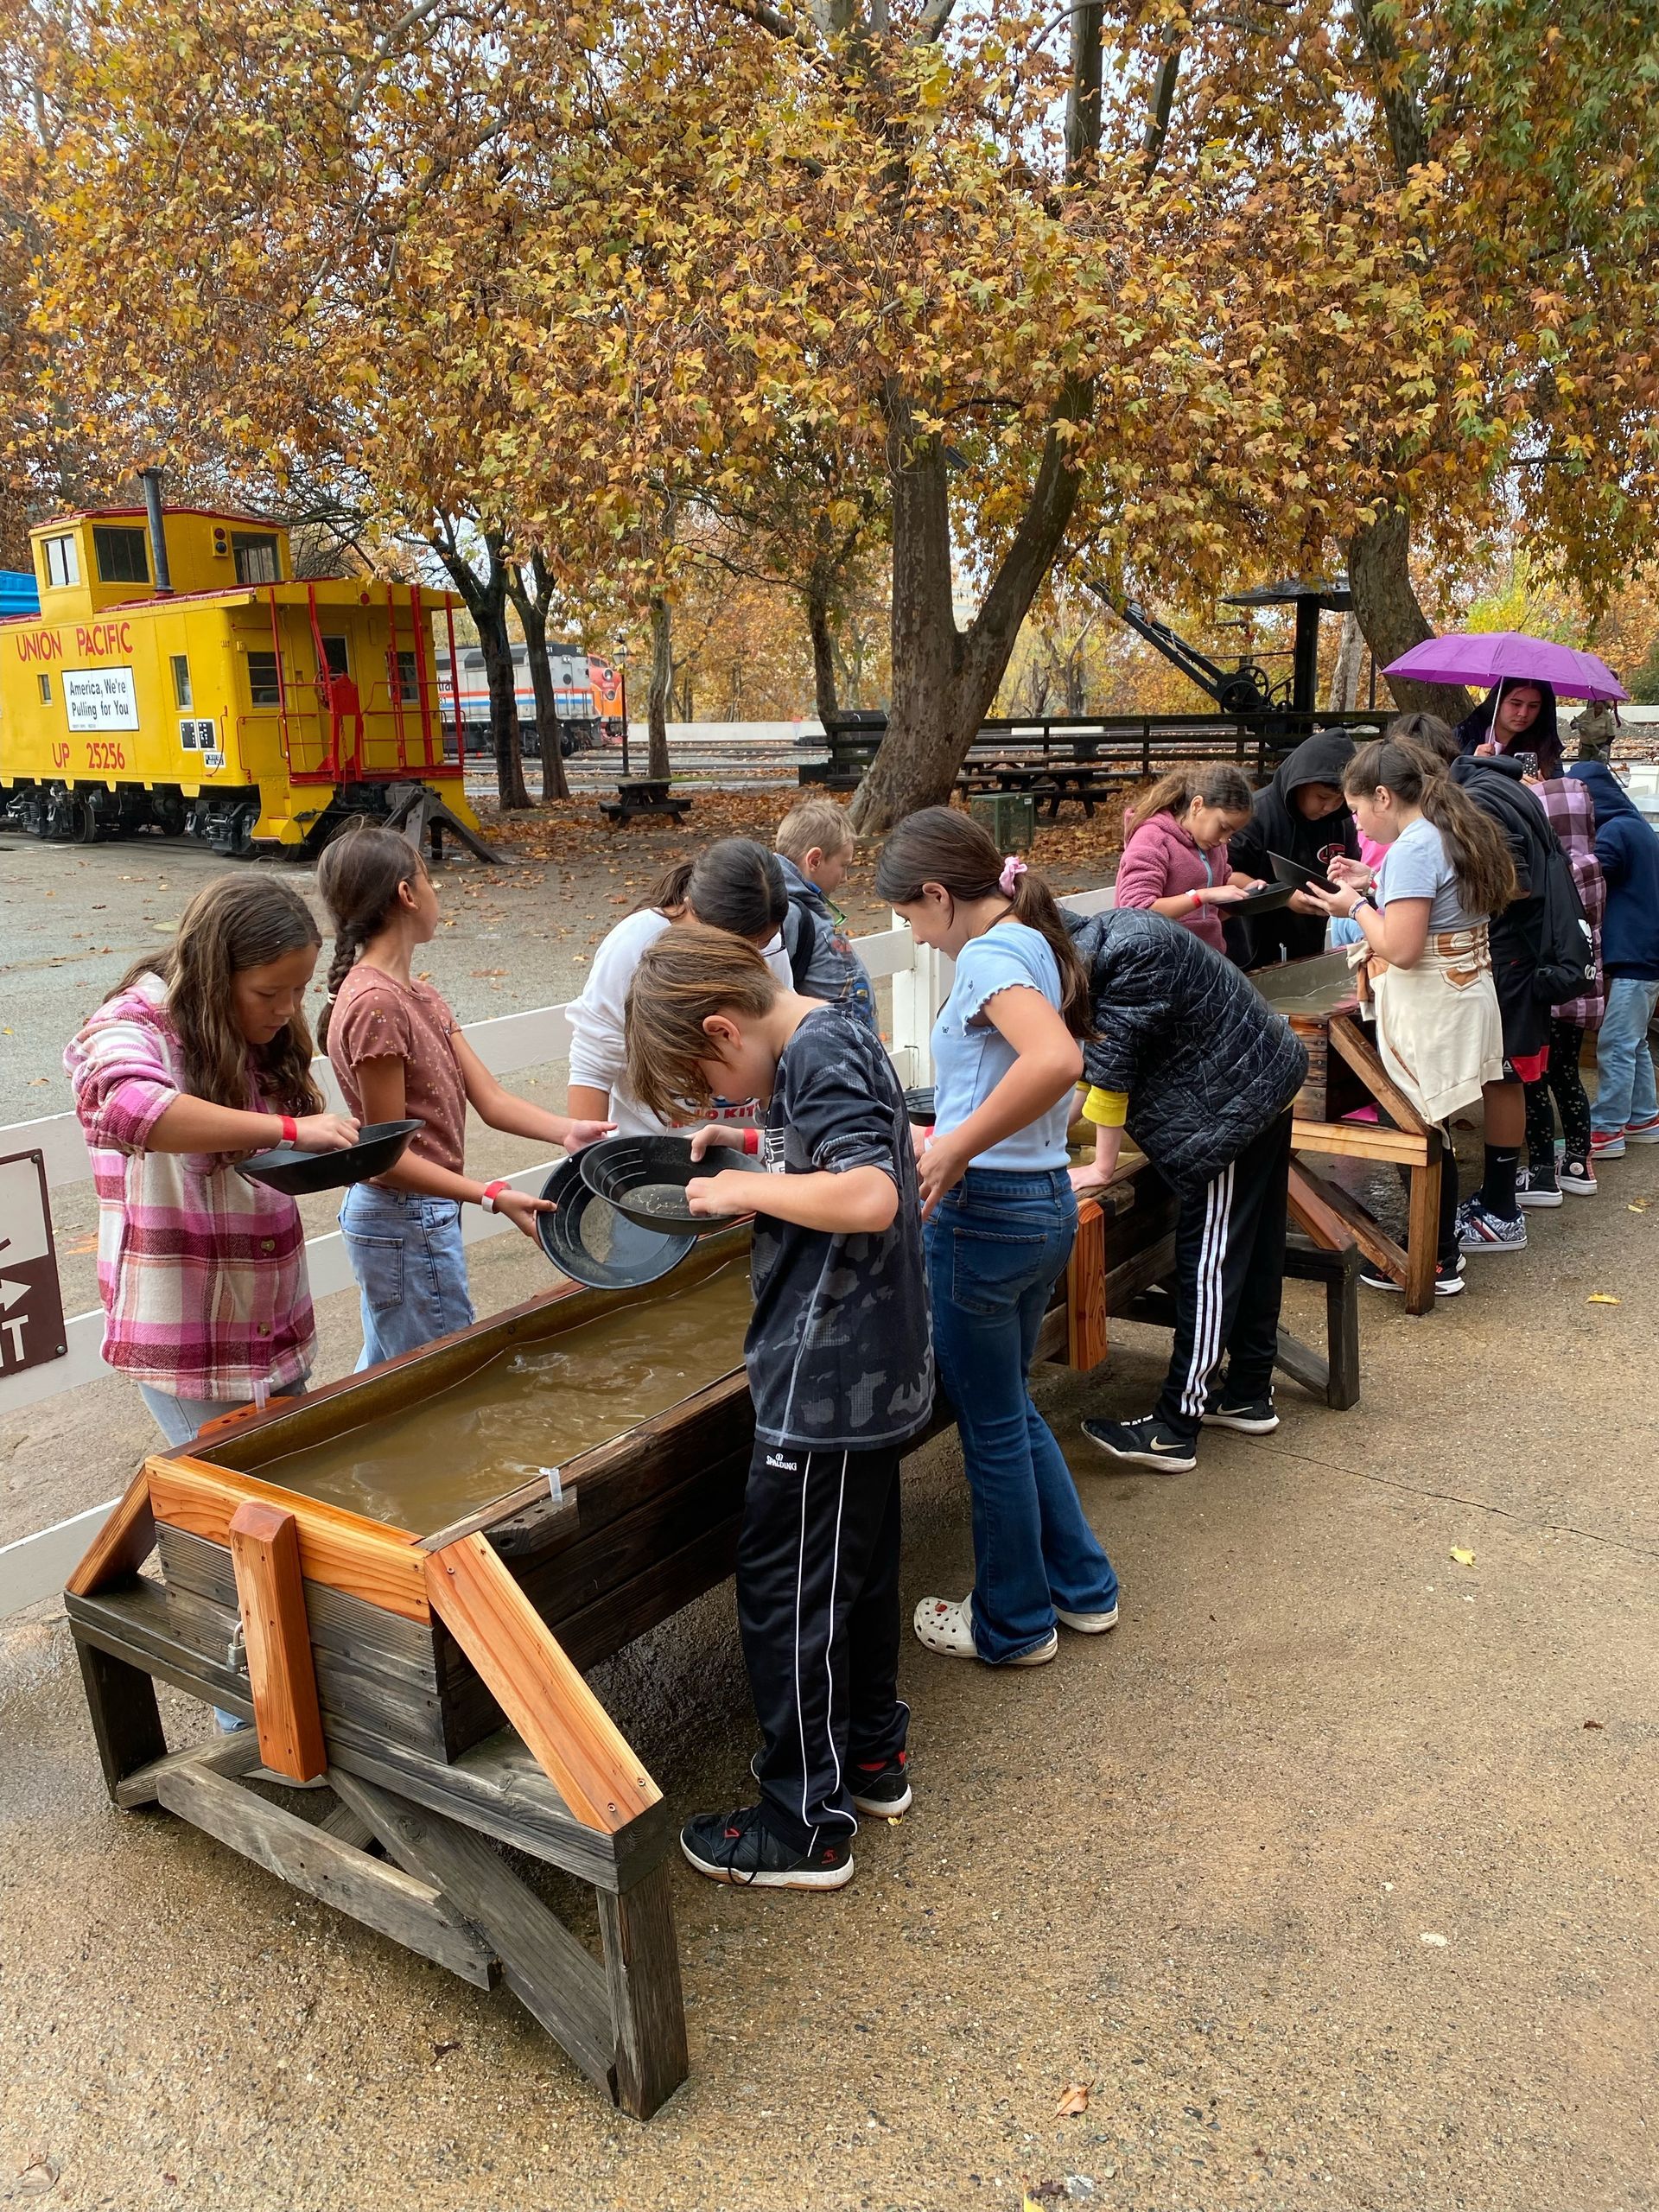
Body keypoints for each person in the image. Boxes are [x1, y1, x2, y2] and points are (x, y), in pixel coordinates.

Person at [622, 927, 931, 1891]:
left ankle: (804, 1820)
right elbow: (841, 1141)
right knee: (861, 1570)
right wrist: (750, 1143)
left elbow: (872, 1191)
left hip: (827, 1377)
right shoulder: (826, 1033)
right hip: (872, 1369)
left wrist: (741, 1189)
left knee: (787, 1592)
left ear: (724, 1026)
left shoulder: (816, 1050)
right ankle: (872, 1757)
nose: (732, 1101)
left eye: (717, 1084)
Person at [874, 808, 1119, 1668]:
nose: (916, 936)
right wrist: (946, 1134)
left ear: (940, 896)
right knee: (1009, 1406)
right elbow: (1010, 1082)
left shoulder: (985, 953)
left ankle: (1013, 1623)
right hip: (1042, 1197)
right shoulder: (1034, 941)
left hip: (988, 1216)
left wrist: (952, 1146)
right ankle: (1083, 1587)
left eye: (910, 917)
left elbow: (1055, 1062)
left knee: (988, 1425)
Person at [65, 875, 359, 1447]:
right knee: (238, 1509)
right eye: (268, 994)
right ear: (213, 974)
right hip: (191, 1345)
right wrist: (291, 1130)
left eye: (298, 991)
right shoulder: (132, 1024)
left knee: (289, 1496)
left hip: (276, 1327)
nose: (287, 1009)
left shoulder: (252, 1026)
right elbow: (132, 1110)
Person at [317, 824, 613, 1367]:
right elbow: (386, 1161)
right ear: (407, 894)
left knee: (391, 1374)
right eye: (430, 880)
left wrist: (565, 1132)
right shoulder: (376, 1006)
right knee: (441, 1378)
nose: (437, 894)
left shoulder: (420, 995)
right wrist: (490, 1194)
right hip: (404, 1216)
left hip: (419, 1214)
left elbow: (491, 1099)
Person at [1066, 907, 1308, 1465]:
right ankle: (1248, 1392)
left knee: (1209, 1259)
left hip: (1231, 1110)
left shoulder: (1122, 959)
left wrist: (1100, 1169)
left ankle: (1175, 1426)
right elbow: (1091, 1071)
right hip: (1260, 1083)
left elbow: (1109, 1072)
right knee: (1258, 1246)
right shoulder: (1110, 938)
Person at [1304, 738, 1516, 1295]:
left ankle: (1435, 1258)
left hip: (1430, 1005)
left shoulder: (1414, 848)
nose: (1357, 824)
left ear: (1382, 796)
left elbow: (1398, 947)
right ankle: (1442, 1249)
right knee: (1428, 1127)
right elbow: (1433, 909)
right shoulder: (1447, 829)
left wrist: (1353, 906)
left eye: (1355, 811)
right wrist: (1373, 885)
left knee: (1413, 1130)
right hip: (1462, 993)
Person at [566, 838, 793, 1133]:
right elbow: (593, 1063)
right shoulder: (634, 944)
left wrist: (771, 1147)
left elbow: (781, 1049)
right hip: (649, 1157)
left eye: (760, 945)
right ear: (692, 909)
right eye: (734, 947)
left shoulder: (765, 942)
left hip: (742, 1156)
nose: (750, 958)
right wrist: (590, 1162)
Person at [1518, 765, 1605, 1202]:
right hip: (1583, 989)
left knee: (1533, 1078)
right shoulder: (1593, 865)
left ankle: (1539, 1171)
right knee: (1567, 1075)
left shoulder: (1549, 867)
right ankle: (1577, 1161)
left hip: (1547, 991)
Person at [1568, 760, 1659, 1159]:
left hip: (1633, 956)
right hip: (1646, 954)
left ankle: (1606, 1129)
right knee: (1634, 1041)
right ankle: (1643, 1117)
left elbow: (1590, 872)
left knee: (1615, 1043)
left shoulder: (1616, 831)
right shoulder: (1637, 826)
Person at [1228, 731, 1362, 966]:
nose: (1329, 807)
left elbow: (1351, 870)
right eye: (1322, 797)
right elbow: (1226, 876)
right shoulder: (1256, 814)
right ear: (1301, 783)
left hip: (1311, 941)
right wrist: (1282, 895)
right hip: (1253, 942)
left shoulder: (1341, 821)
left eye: (1339, 800)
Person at [1112, 764, 1261, 956]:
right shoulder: (1152, 838)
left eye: (1232, 832)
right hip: (1157, 962)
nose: (1225, 839)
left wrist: (1248, 893)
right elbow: (1136, 910)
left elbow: (1217, 898)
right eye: (1223, 827)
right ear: (1197, 805)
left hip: (1206, 960)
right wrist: (1202, 896)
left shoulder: (1214, 846)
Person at [772, 796, 877, 1027]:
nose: (846, 877)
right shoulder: (787, 911)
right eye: (844, 865)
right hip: (826, 1049)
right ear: (815, 860)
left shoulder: (802, 904)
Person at [1456, 678, 1563, 779]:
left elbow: (1559, 794)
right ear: (1497, 702)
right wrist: (1469, 766)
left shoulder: (1548, 750)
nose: (1523, 713)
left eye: (1533, 706)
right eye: (1516, 704)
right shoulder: (1462, 738)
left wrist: (1546, 790)